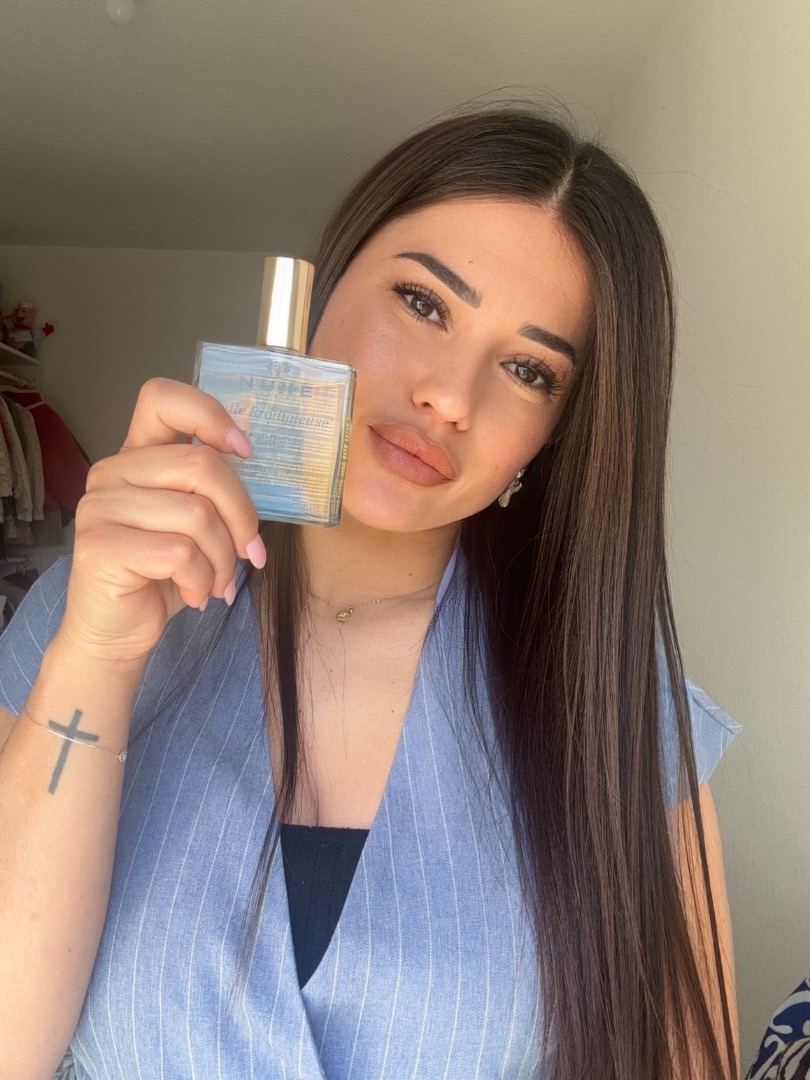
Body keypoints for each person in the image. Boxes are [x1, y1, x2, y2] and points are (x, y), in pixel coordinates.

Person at [0, 105, 740, 1080]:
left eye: (529, 369)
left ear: (558, 434)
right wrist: (96, 656)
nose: (450, 395)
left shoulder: (614, 703)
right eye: (424, 303)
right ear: (325, 287)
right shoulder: (87, 617)